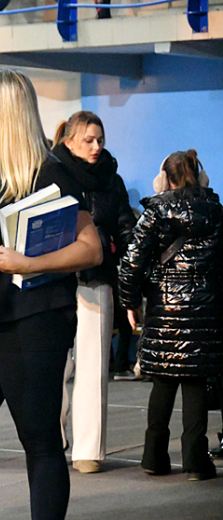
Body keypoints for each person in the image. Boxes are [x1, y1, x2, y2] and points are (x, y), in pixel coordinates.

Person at [0, 69, 103, 520]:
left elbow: (90, 248)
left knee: (39, 440)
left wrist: (30, 264)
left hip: (32, 322)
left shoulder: (50, 173)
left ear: (4, 114)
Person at [119, 149, 222, 482]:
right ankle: (195, 461)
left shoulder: (154, 211)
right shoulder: (217, 212)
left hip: (164, 306)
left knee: (162, 382)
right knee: (194, 383)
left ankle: (153, 457)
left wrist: (129, 302)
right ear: (201, 176)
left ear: (164, 178)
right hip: (204, 309)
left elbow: (131, 262)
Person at [51, 111, 136, 474]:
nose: (97, 146)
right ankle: (51, 440)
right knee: (55, 366)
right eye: (89, 140)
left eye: (100, 139)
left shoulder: (111, 180)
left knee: (93, 365)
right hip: (55, 277)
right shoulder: (51, 175)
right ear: (69, 141)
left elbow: (126, 229)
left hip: (98, 277)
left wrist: (132, 270)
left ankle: (87, 449)